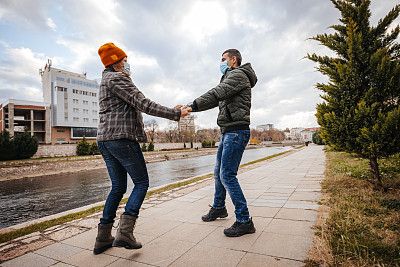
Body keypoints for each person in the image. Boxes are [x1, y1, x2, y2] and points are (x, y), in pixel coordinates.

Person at [94, 43, 189, 255]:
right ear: (116, 61)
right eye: (125, 60)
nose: (127, 64)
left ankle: (102, 238)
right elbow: (143, 103)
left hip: (105, 141)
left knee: (118, 187)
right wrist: (175, 115)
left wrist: (170, 110)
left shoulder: (105, 81)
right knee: (141, 182)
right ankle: (124, 233)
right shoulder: (118, 78)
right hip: (122, 139)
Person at [183, 49, 258, 237]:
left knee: (227, 175)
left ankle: (244, 220)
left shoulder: (238, 75)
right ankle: (219, 208)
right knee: (218, 173)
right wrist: (190, 108)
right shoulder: (228, 78)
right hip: (228, 132)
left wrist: (192, 105)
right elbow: (215, 100)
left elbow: (216, 93)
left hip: (236, 131)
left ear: (233, 60)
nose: (221, 62)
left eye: (223, 59)